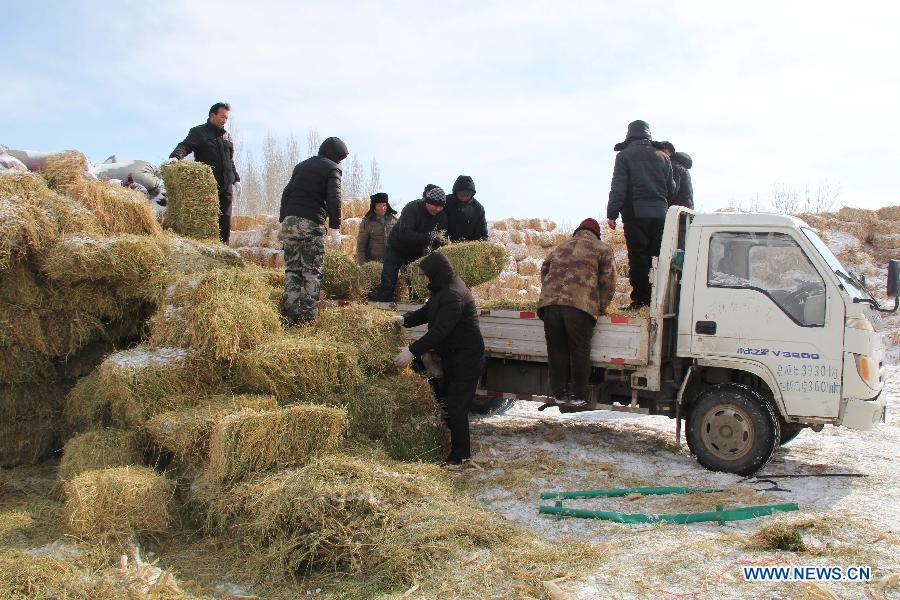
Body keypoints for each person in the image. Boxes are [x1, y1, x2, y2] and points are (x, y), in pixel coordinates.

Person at [393, 252, 485, 466]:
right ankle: (451, 446)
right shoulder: (444, 288)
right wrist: (405, 319)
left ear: (436, 274)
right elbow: (429, 311)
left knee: (456, 406)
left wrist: (411, 351)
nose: (425, 279)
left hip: (467, 360)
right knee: (446, 402)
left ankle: (460, 456)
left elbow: (439, 332)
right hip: (453, 358)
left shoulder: (454, 294)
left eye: (426, 275)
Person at [538, 218, 616, 408]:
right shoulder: (602, 248)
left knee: (556, 351)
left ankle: (559, 394)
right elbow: (608, 282)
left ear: (577, 230)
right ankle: (578, 395)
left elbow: (544, 270)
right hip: (579, 305)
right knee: (579, 350)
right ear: (597, 233)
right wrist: (601, 306)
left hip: (549, 305)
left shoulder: (561, 247)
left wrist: (551, 292)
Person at [278, 136, 349, 325]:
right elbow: (334, 198)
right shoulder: (332, 168)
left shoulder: (301, 166)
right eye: (340, 158)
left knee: (292, 270)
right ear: (336, 156)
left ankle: (290, 316)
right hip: (310, 224)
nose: (340, 162)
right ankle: (309, 319)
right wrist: (335, 227)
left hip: (290, 222)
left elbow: (286, 192)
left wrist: (282, 220)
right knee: (312, 271)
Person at [606, 120, 675, 310]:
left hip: (635, 214)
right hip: (660, 215)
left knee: (638, 257)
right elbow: (672, 188)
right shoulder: (663, 157)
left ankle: (641, 300)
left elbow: (618, 187)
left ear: (629, 136)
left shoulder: (624, 156)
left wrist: (612, 213)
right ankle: (657, 300)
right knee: (657, 257)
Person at [166, 102, 241, 243]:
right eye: (222, 117)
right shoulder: (199, 132)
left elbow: (230, 160)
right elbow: (185, 145)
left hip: (226, 186)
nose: (225, 120)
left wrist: (236, 179)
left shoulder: (227, 137)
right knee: (207, 219)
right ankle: (206, 247)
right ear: (212, 115)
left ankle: (224, 249)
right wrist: (176, 156)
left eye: (226, 118)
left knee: (225, 219)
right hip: (208, 186)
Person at [376, 185, 449, 302]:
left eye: (440, 207)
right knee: (388, 279)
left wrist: (441, 242)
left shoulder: (442, 216)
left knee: (416, 282)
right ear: (427, 201)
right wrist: (429, 239)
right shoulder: (412, 208)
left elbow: (442, 236)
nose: (437, 209)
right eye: (434, 205)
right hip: (397, 247)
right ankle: (383, 306)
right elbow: (405, 234)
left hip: (417, 252)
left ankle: (414, 308)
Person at [356, 192, 398, 264]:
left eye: (384, 205)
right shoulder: (367, 222)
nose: (382, 208)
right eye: (379, 206)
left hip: (391, 263)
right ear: (374, 207)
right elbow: (361, 246)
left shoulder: (394, 220)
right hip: (373, 265)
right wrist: (363, 265)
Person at [445, 175, 488, 242]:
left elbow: (482, 235)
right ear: (455, 192)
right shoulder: (445, 202)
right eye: (461, 195)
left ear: (472, 194)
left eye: (467, 195)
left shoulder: (478, 209)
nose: (463, 198)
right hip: (444, 243)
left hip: (467, 247)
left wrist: (468, 242)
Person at [657, 141, 694, 209]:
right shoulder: (680, 166)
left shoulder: (674, 166)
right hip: (685, 209)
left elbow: (673, 191)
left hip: (677, 211)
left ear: (668, 152)